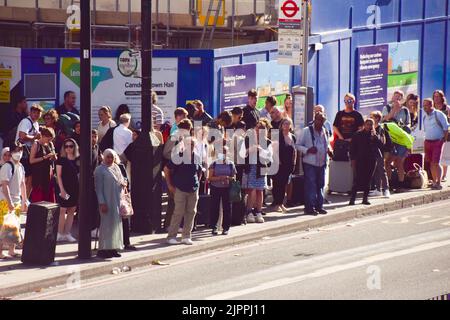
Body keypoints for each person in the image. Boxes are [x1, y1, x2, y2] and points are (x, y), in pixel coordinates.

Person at [164, 119, 203, 245]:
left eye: (192, 145)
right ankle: (171, 236)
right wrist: (170, 185)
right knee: (178, 212)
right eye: (188, 145)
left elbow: (200, 170)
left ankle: (186, 236)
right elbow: (167, 169)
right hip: (180, 187)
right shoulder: (178, 156)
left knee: (191, 212)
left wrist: (198, 182)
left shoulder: (197, 157)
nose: (190, 147)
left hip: (193, 188)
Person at [94, 149, 126, 259]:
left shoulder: (116, 167)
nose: (110, 159)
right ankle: (103, 249)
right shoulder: (99, 170)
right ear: (104, 157)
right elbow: (98, 188)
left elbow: (122, 179)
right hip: (106, 201)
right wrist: (102, 202)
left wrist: (123, 183)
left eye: (112, 157)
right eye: (108, 157)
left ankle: (113, 248)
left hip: (117, 200)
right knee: (106, 225)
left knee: (115, 225)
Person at [297, 113, 331, 215]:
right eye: (319, 120)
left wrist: (329, 150)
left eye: (322, 121)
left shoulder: (324, 131)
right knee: (311, 185)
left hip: (321, 163)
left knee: (320, 185)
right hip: (310, 163)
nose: (320, 122)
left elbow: (327, 144)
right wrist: (307, 150)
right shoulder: (306, 131)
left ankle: (319, 206)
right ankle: (309, 208)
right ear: (314, 119)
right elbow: (297, 145)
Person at [242, 119, 273, 223]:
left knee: (260, 191)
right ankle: (249, 212)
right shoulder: (247, 139)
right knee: (250, 190)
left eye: (262, 129)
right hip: (250, 167)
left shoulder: (268, 142)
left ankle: (258, 212)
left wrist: (260, 150)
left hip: (261, 168)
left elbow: (269, 157)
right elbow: (241, 154)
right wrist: (249, 150)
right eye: (258, 128)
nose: (259, 131)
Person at [0, 143, 27, 259]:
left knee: (14, 227)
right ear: (11, 152)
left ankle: (12, 250)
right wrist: (10, 202)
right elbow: (4, 185)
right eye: (16, 150)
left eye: (20, 150)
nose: (19, 153)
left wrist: (25, 200)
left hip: (16, 200)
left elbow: (22, 184)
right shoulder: (7, 166)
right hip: (5, 201)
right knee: (3, 227)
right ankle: (0, 252)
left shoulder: (20, 166)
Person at [349, 119, 384, 205]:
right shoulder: (358, 134)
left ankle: (365, 198)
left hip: (371, 160)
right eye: (367, 124)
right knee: (357, 179)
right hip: (360, 159)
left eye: (371, 125)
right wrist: (352, 159)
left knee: (368, 179)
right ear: (364, 125)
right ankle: (352, 199)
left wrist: (375, 137)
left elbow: (381, 146)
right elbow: (352, 148)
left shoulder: (375, 135)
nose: (369, 126)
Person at [383, 91, 411, 192]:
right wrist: (394, 110)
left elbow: (408, 125)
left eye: (399, 98)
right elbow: (384, 119)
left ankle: (400, 185)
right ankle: (389, 184)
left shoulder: (405, 110)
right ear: (392, 98)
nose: (397, 99)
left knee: (399, 162)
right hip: (390, 139)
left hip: (401, 140)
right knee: (387, 162)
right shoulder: (387, 108)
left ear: (402, 99)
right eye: (395, 97)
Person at [15, 103, 43, 198]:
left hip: (29, 154)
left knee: (29, 178)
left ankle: (25, 201)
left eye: (38, 113)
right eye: (34, 112)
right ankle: (22, 201)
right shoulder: (26, 121)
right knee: (25, 178)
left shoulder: (36, 123)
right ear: (30, 112)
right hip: (23, 154)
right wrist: (35, 137)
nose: (35, 114)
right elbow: (22, 136)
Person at [208, 146, 237, 236]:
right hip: (215, 187)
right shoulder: (214, 164)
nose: (223, 154)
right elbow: (210, 178)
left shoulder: (231, 164)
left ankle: (226, 228)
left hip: (227, 188)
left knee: (227, 208)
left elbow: (234, 178)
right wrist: (220, 178)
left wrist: (228, 178)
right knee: (214, 208)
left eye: (225, 152)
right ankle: (214, 227)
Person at [56, 138, 80, 242]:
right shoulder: (61, 159)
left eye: (71, 146)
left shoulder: (78, 159)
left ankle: (67, 233)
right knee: (62, 210)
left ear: (74, 147)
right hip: (64, 188)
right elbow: (59, 176)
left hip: (75, 188)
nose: (68, 148)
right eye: (66, 146)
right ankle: (60, 233)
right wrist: (62, 190)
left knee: (72, 210)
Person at [423, 98, 449, 190]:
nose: (424, 107)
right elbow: (426, 130)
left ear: (431, 105)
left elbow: (446, 128)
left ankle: (439, 182)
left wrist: (443, 140)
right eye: (423, 105)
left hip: (438, 141)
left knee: (436, 162)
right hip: (427, 141)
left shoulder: (439, 114)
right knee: (430, 163)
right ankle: (434, 182)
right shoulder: (425, 117)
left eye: (426, 105)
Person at [271, 118, 296, 213]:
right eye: (284, 124)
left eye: (288, 124)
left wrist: (294, 162)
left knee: (284, 183)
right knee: (277, 184)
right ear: (281, 125)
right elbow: (273, 150)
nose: (286, 125)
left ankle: (281, 203)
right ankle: (276, 204)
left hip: (288, 164)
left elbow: (294, 150)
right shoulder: (277, 136)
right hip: (278, 163)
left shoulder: (292, 136)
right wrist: (278, 161)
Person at [29, 127, 57, 203]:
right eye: (48, 139)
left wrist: (54, 157)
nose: (49, 141)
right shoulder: (36, 144)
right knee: (39, 196)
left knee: (49, 194)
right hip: (39, 175)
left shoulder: (50, 144)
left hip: (48, 174)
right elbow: (31, 161)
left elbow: (55, 158)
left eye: (51, 139)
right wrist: (44, 157)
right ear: (43, 136)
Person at [369, 111, 391, 198]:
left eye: (372, 117)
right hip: (371, 153)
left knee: (381, 170)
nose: (370, 118)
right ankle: (378, 189)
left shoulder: (380, 129)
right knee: (375, 171)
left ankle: (386, 189)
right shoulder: (370, 128)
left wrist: (375, 135)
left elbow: (382, 142)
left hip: (379, 152)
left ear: (377, 119)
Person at [433, 90, 449, 182]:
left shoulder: (446, 108)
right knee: (436, 156)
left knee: (445, 155)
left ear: (442, 97)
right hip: (435, 134)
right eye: (435, 96)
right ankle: (435, 176)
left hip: (445, 134)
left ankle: (444, 175)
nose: (436, 98)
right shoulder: (432, 108)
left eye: (438, 96)